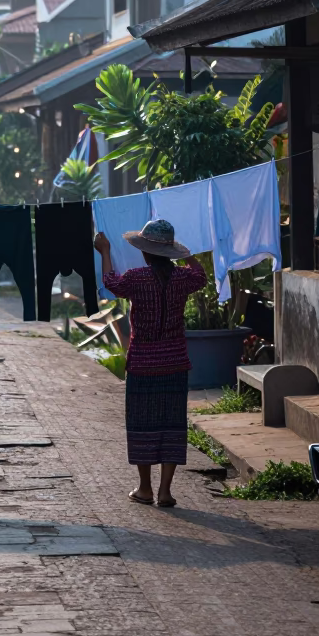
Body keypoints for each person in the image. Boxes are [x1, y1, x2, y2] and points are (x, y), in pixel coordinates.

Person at [94, 218, 206, 508]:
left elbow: (110, 283)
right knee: (172, 425)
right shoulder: (183, 279)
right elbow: (200, 275)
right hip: (175, 363)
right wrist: (184, 253)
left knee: (142, 425)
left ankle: (145, 488)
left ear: (144, 252)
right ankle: (165, 492)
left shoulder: (136, 278)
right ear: (170, 253)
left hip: (143, 365)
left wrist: (104, 251)